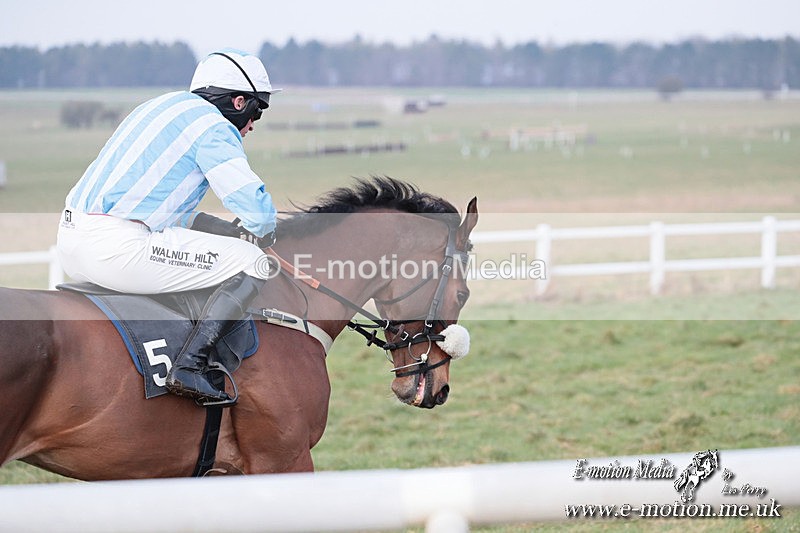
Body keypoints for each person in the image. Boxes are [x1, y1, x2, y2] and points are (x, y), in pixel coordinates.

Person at [57, 49, 280, 404]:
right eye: (257, 111)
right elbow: (252, 204)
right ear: (239, 102)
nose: (252, 125)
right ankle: (188, 368)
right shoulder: (214, 127)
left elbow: (166, 207)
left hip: (72, 240)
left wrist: (222, 230)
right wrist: (266, 233)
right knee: (252, 261)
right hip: (117, 248)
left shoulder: (158, 107)